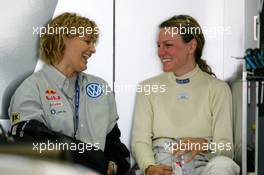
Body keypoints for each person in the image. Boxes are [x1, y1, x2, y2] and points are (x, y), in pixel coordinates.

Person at [8, 12, 129, 175]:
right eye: (87, 41)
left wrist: (113, 167)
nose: (93, 49)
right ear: (63, 38)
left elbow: (115, 146)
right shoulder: (31, 88)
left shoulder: (100, 87)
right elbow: (31, 139)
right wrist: (95, 160)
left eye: (93, 42)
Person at [131, 15, 240, 175]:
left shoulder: (218, 89)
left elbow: (227, 148)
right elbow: (140, 141)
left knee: (224, 165)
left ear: (191, 47)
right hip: (163, 165)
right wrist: (149, 167)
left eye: (168, 45)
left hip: (204, 165)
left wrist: (204, 144)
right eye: (159, 45)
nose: (160, 52)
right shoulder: (148, 87)